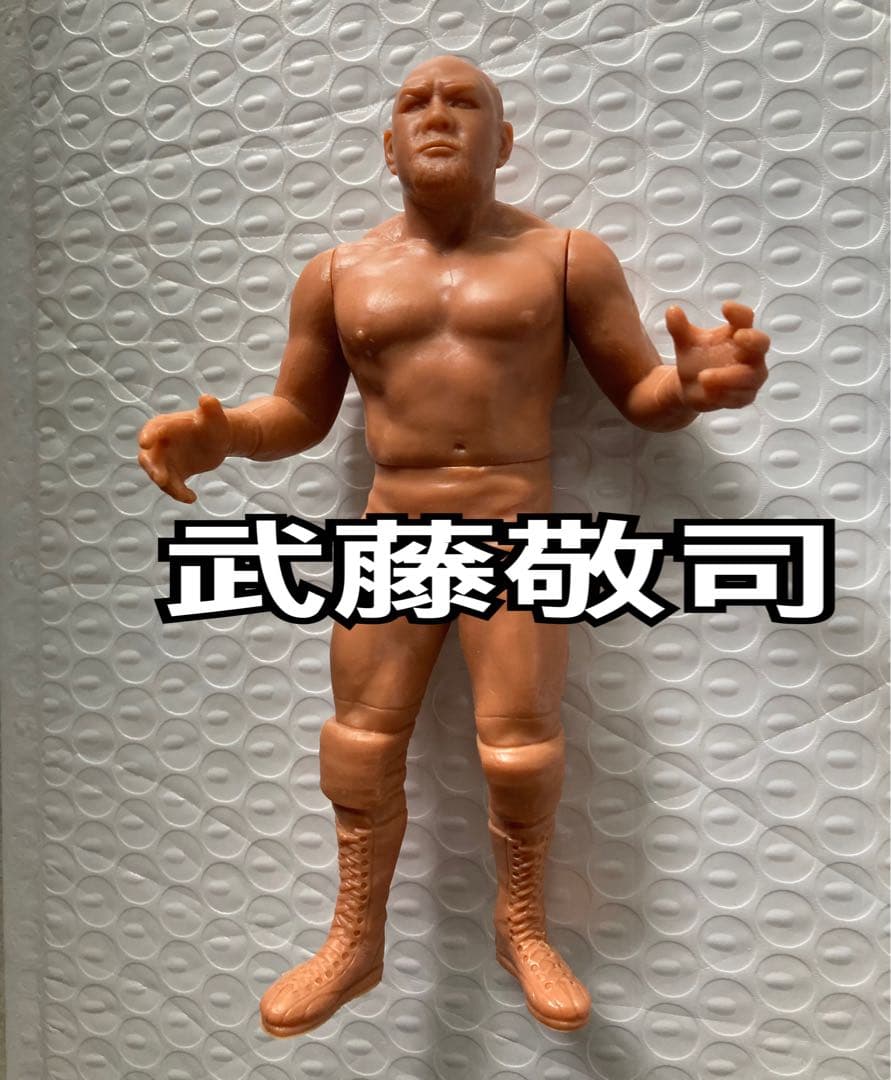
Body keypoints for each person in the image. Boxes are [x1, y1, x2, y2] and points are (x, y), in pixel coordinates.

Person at [137, 54, 770, 1036]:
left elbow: (640, 394)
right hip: (393, 525)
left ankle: (523, 927)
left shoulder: (566, 258)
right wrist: (228, 437)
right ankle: (355, 937)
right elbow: (299, 410)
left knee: (520, 748)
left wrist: (690, 389)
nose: (437, 114)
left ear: (502, 142)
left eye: (464, 102)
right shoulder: (337, 274)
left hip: (516, 527)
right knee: (357, 742)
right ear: (388, 147)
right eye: (415, 103)